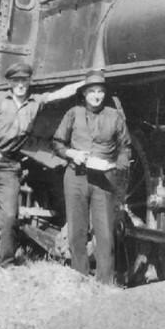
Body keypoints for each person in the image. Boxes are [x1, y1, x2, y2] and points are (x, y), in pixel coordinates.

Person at [0, 63, 85, 267]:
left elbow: (58, 94)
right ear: (10, 83)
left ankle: (6, 262)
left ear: (29, 82)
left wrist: (84, 83)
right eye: (17, 81)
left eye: (24, 81)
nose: (20, 85)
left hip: (9, 165)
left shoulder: (35, 102)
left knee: (10, 215)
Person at [52, 69, 131, 284]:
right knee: (77, 232)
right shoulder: (72, 114)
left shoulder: (114, 116)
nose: (96, 95)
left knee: (105, 233)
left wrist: (121, 162)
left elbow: (125, 146)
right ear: (84, 93)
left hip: (103, 179)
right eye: (92, 91)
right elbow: (57, 143)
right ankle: (80, 278)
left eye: (100, 91)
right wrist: (72, 153)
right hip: (76, 177)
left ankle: (105, 284)